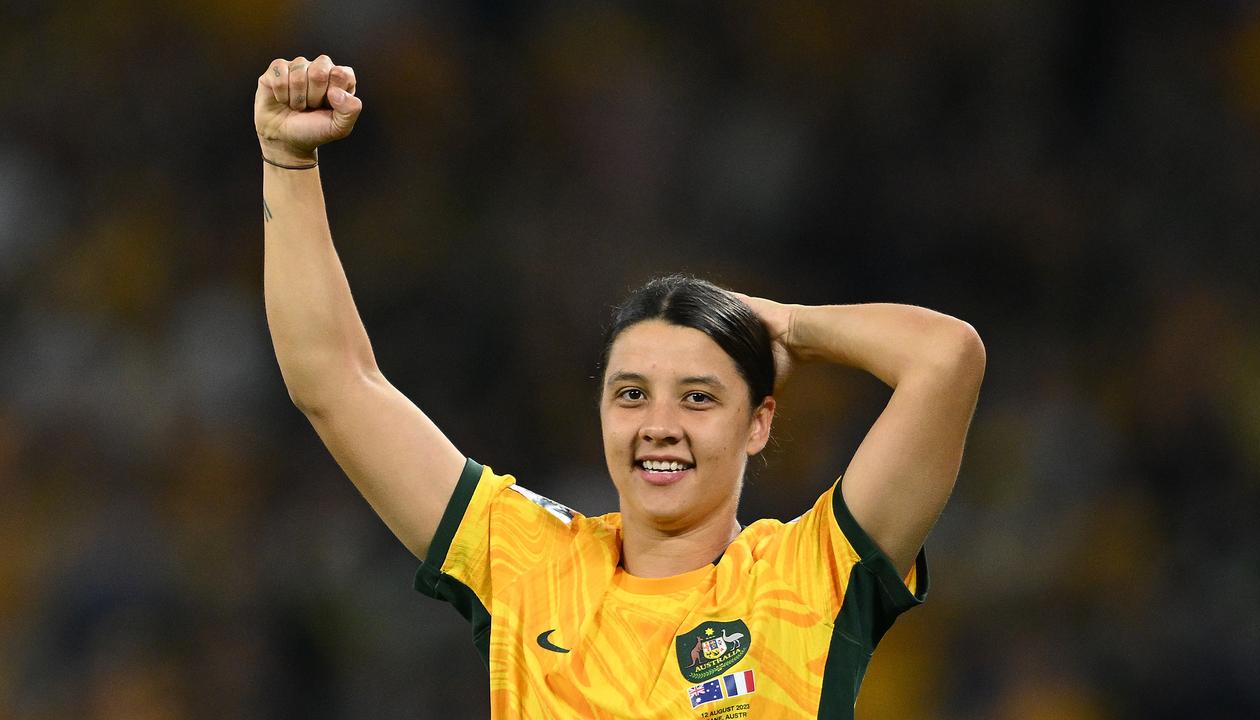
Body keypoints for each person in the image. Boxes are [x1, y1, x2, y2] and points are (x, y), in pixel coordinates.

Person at [256, 54, 986, 719]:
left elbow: (945, 357)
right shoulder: (529, 564)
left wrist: (786, 325)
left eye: (698, 397)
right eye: (631, 393)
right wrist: (288, 162)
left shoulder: (812, 576)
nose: (658, 424)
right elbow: (335, 380)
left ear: (758, 422)